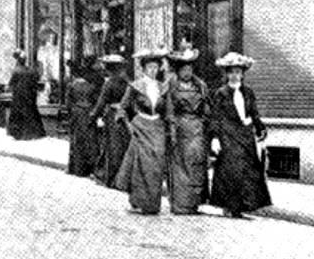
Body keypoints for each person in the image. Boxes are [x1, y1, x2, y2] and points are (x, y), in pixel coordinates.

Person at [208, 52, 271, 218]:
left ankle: (244, 205)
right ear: (227, 74)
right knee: (230, 170)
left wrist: (260, 128)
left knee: (247, 170)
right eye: (232, 72)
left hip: (245, 135)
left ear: (242, 74)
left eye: (238, 72)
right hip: (228, 135)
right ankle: (229, 206)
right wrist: (215, 138)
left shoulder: (248, 93)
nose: (235, 75)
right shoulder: (220, 93)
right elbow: (216, 117)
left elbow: (254, 113)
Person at [115, 49, 169, 215]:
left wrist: (170, 126)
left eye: (155, 67)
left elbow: (168, 110)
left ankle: (153, 202)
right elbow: (122, 107)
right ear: (144, 69)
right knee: (142, 165)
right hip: (142, 127)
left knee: (157, 164)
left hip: (158, 127)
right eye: (149, 67)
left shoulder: (162, 87)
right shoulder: (135, 86)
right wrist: (127, 123)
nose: (152, 71)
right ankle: (140, 200)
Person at [165, 49, 210, 214]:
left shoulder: (200, 86)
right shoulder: (172, 85)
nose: (187, 73)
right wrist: (172, 129)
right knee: (180, 166)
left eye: (190, 69)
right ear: (178, 71)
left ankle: (194, 202)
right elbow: (169, 109)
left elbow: (207, 108)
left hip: (197, 129)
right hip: (180, 128)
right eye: (184, 70)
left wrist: (205, 124)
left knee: (196, 163)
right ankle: (180, 204)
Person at [91, 55, 131, 188]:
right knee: (124, 146)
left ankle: (112, 178)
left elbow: (101, 102)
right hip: (125, 116)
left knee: (112, 146)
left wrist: (94, 115)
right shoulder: (127, 82)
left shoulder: (109, 83)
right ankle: (124, 177)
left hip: (112, 116)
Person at [66, 60, 99, 177]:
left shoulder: (72, 85)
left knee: (77, 141)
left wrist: (71, 114)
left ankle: (77, 168)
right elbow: (95, 101)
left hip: (77, 115)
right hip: (88, 114)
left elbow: (68, 104)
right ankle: (90, 168)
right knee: (90, 141)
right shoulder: (91, 86)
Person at [7, 50, 46, 140]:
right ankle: (34, 133)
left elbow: (11, 83)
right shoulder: (30, 71)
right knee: (31, 113)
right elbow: (35, 83)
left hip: (19, 97)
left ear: (18, 61)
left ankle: (18, 133)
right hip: (29, 96)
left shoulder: (16, 71)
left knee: (18, 115)